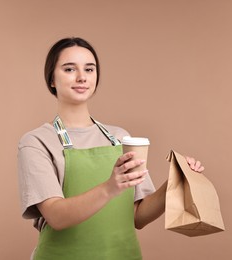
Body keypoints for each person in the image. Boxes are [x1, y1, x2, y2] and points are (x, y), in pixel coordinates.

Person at [17, 37, 205, 260]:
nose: (82, 77)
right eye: (69, 69)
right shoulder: (37, 142)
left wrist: (176, 182)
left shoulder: (120, 138)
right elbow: (56, 216)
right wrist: (110, 187)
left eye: (89, 69)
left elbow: (137, 216)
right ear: (52, 80)